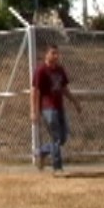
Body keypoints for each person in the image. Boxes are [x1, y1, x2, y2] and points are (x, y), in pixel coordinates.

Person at [31, 44, 81, 174]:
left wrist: (75, 102)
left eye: (57, 53)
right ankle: (57, 167)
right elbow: (35, 91)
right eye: (53, 53)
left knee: (63, 137)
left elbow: (64, 88)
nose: (56, 56)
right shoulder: (41, 70)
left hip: (59, 107)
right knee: (56, 137)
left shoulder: (60, 70)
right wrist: (34, 111)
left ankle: (41, 152)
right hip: (48, 108)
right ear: (46, 55)